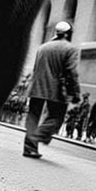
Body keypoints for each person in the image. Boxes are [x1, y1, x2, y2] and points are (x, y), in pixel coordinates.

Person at [22, 21, 81, 158]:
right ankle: (37, 136)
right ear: (68, 33)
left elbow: (36, 68)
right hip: (56, 89)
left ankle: (29, 148)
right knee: (56, 117)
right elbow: (71, 72)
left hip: (36, 86)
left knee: (33, 116)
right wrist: (75, 92)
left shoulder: (43, 47)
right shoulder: (70, 48)